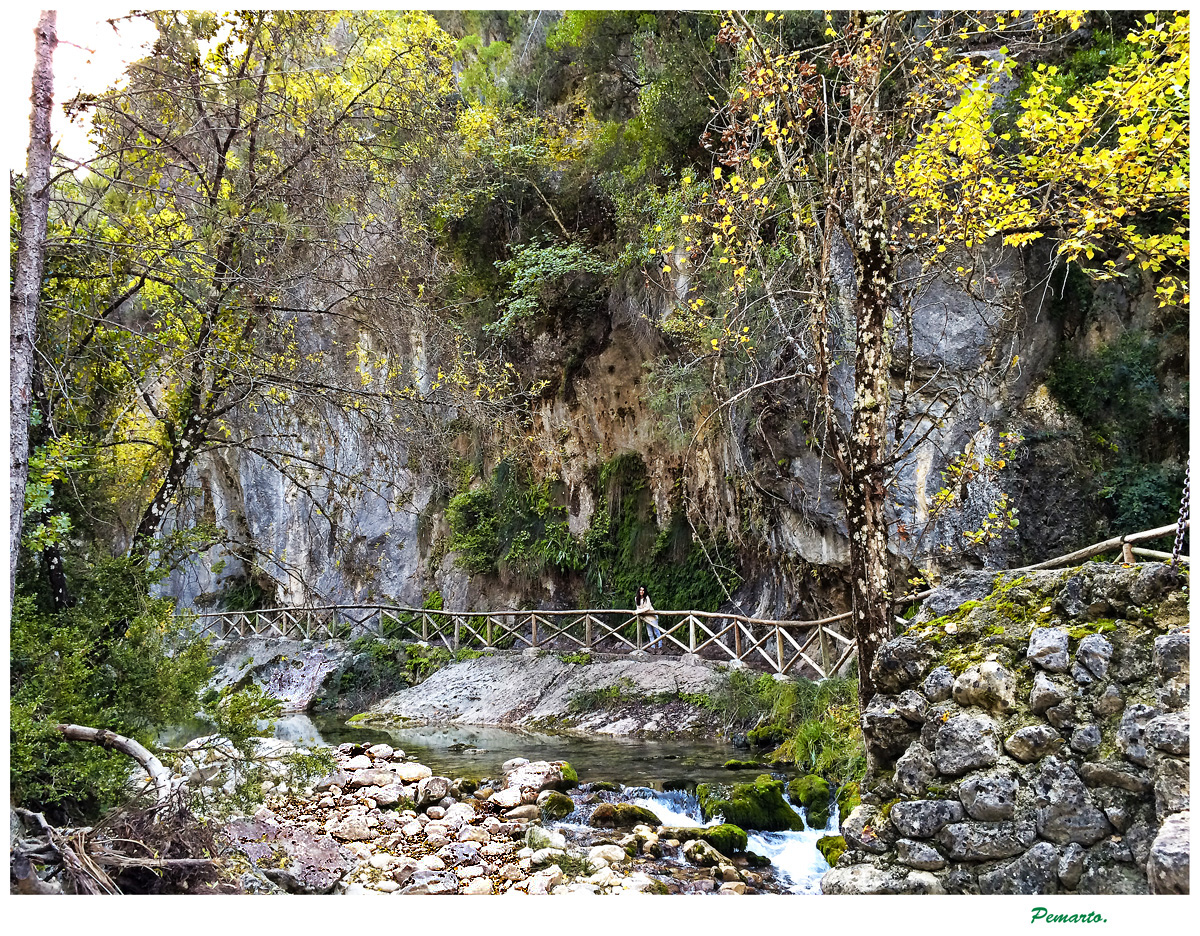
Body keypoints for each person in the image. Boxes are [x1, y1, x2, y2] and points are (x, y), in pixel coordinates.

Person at [635, 585, 663, 651]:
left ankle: (660, 646)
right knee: (650, 633)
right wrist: (638, 611)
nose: (641, 591)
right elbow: (638, 608)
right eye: (640, 590)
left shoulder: (647, 598)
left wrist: (638, 611)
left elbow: (647, 608)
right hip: (646, 618)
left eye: (643, 590)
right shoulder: (636, 598)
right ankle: (652, 646)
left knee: (656, 631)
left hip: (652, 616)